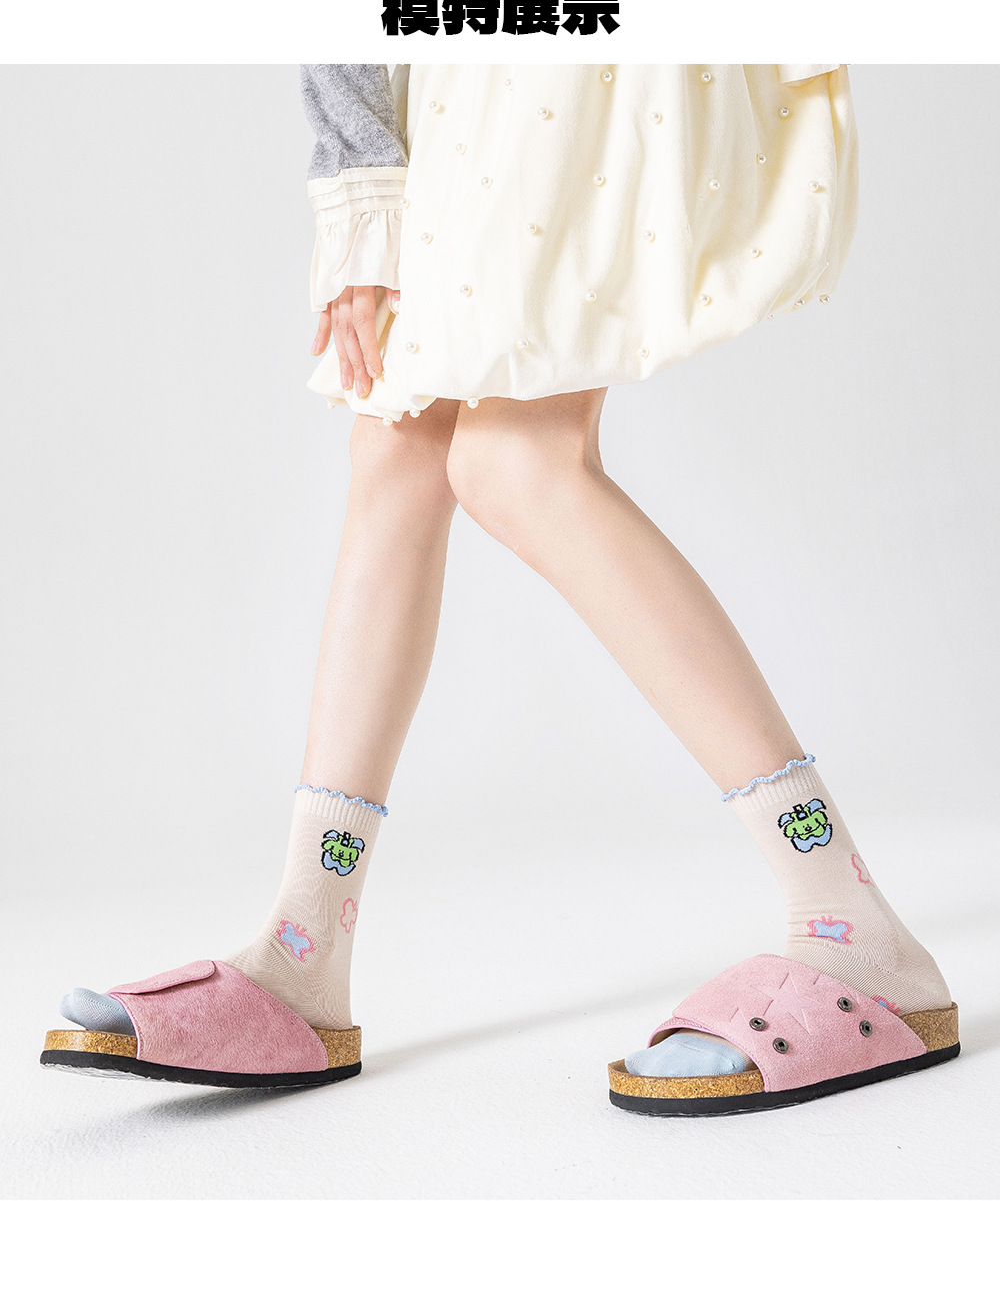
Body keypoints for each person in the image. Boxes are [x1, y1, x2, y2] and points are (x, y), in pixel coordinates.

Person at [42, 65, 957, 1112]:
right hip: (460, 55)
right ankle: (304, 945)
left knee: (520, 459)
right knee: (399, 439)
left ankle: (846, 916)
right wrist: (360, 177)